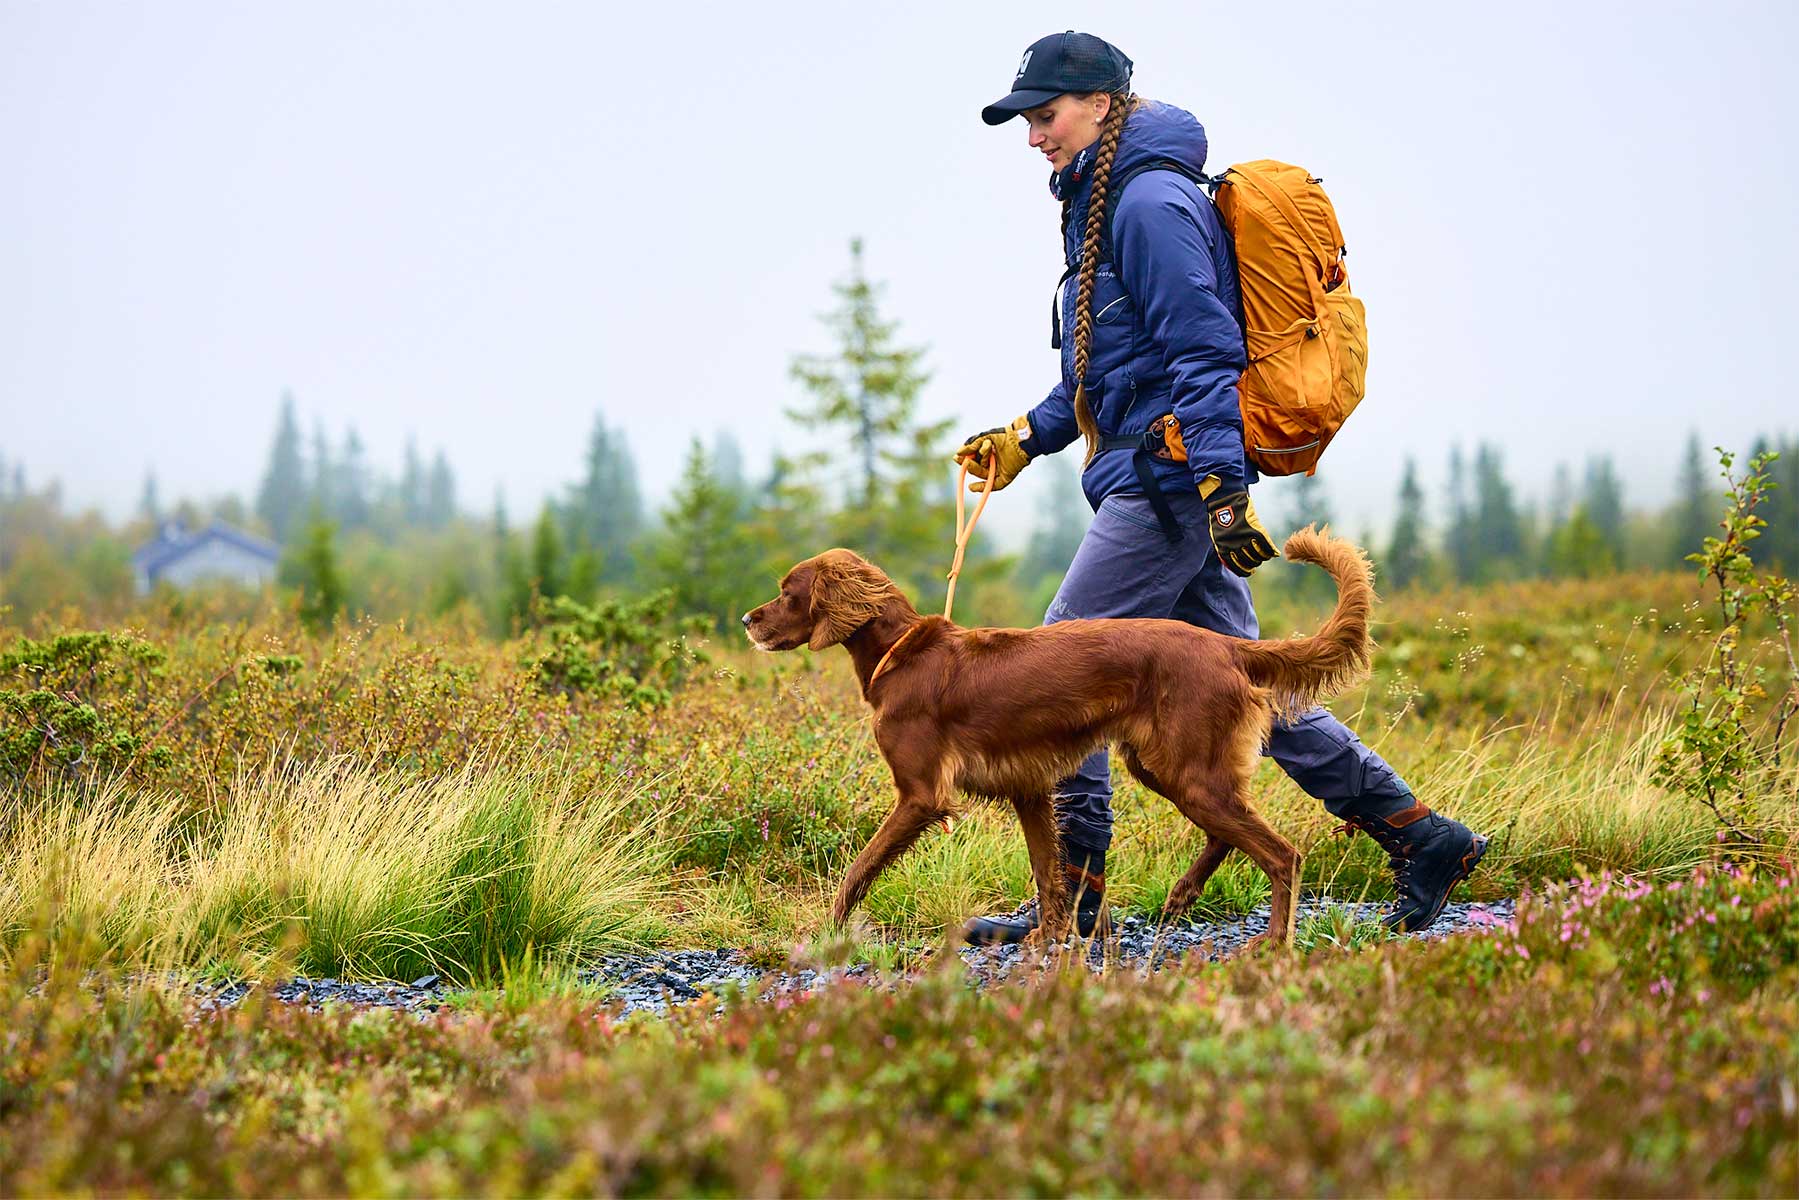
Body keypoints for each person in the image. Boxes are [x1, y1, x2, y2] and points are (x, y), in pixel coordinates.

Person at [955, 30, 1487, 944]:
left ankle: (1071, 903)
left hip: (1166, 485)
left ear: (1101, 105)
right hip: (1155, 472)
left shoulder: (1149, 203)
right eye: (1026, 120)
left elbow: (1205, 357)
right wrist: (1025, 439)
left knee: (1056, 674)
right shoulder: (1102, 200)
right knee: (1244, 687)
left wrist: (1219, 489)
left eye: (1045, 117)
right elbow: (1109, 366)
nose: (1033, 137)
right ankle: (1419, 833)